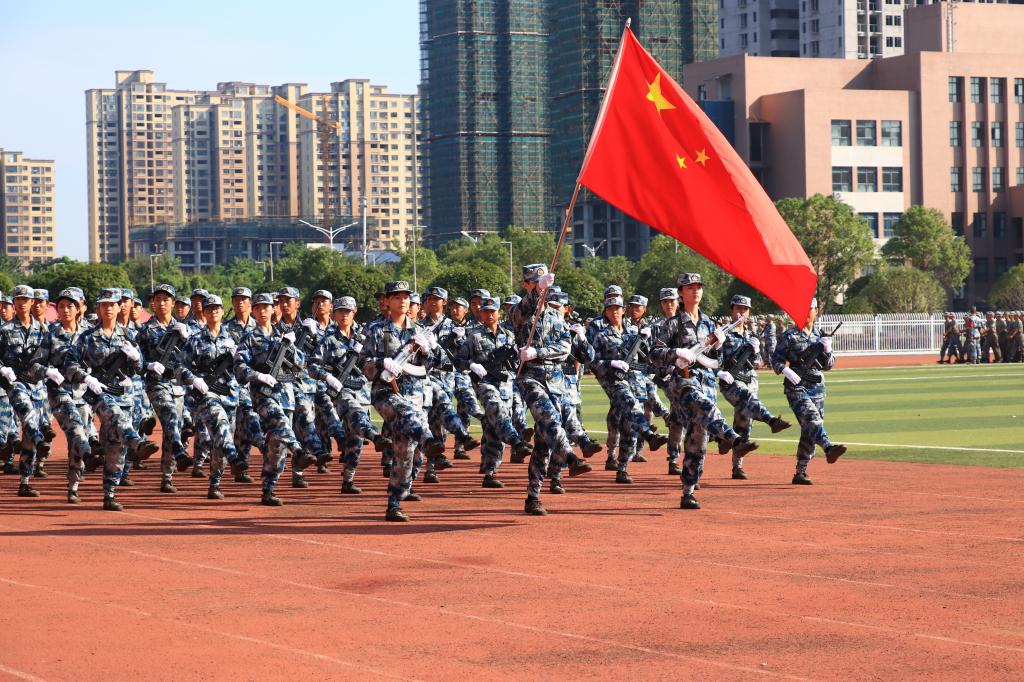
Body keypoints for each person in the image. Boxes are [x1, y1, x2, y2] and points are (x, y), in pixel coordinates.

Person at [652, 273, 758, 509]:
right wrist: (677, 352)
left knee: (698, 438)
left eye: (698, 287)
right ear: (681, 293)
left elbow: (716, 361)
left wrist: (718, 346)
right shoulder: (671, 324)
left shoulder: (709, 323)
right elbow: (655, 353)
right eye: (690, 287)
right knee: (707, 408)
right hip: (683, 382)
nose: (696, 291)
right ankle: (733, 439)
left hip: (706, 382)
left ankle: (688, 491)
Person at [63, 288, 160, 510]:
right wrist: (87, 378)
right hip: (100, 394)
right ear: (98, 308)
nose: (108, 308)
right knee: (115, 415)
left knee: (115, 447)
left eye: (112, 304)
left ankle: (110, 493)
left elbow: (139, 369)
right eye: (104, 305)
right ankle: (138, 443)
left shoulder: (128, 336)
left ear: (119, 308)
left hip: (125, 395)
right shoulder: (87, 337)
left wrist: (136, 358)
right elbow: (70, 365)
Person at [358, 280, 446, 522]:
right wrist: (381, 363)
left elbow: (432, 366)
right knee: (409, 416)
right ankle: (428, 440)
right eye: (397, 297)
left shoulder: (418, 331)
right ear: (387, 301)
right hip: (386, 393)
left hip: (414, 394)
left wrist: (428, 351)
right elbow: (362, 362)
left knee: (406, 450)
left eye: (406, 297)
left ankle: (394, 503)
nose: (403, 301)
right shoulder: (376, 329)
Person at [510, 264, 581, 516]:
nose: (541, 288)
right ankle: (570, 456)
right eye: (534, 283)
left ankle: (533, 496)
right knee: (549, 418)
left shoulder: (555, 316)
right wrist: (536, 292)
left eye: (543, 284)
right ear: (526, 284)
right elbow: (523, 311)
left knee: (544, 441)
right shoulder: (519, 312)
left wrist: (539, 352)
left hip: (556, 380)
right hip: (530, 378)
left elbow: (565, 347)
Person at [234, 292, 317, 506]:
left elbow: (300, 365)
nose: (263, 311)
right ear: (253, 311)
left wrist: (291, 347)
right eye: (258, 307)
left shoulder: (284, 334)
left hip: (286, 395)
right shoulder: (249, 337)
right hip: (263, 395)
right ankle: (298, 450)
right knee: (280, 423)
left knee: (277, 446)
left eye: (267, 307)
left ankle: (268, 489)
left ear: (273, 309)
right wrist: (258, 375)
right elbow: (239, 367)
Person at [309, 296, 388, 494]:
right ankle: (375, 436)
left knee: (356, 439)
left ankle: (348, 480)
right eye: (340, 311)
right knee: (355, 413)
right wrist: (327, 377)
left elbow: (379, 358)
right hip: (339, 392)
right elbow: (312, 365)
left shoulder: (365, 336)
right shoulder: (328, 339)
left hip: (361, 391)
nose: (344, 315)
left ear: (355, 312)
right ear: (334, 314)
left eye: (348, 311)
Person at [455, 296, 533, 488]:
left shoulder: (509, 335)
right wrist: (471, 365)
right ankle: (516, 441)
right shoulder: (473, 336)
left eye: (493, 311)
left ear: (499, 313)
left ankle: (490, 471)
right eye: (486, 311)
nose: (489, 315)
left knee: (494, 428)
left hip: (505, 384)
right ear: (481, 313)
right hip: (484, 383)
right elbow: (458, 360)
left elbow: (517, 362)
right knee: (496, 410)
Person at [590, 295, 669, 484]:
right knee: (631, 405)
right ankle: (649, 435)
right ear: (605, 313)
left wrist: (646, 340)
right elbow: (592, 362)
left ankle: (622, 468)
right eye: (610, 309)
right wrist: (611, 363)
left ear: (623, 310)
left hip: (636, 382)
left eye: (617, 308)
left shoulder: (634, 333)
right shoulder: (601, 336)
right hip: (615, 382)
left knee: (629, 428)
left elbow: (647, 357)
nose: (614, 312)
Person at [770, 297, 847, 485]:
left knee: (810, 429)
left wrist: (827, 350)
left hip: (817, 388)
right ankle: (828, 448)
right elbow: (775, 360)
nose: (807, 312)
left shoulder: (820, 336)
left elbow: (828, 366)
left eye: (810, 308)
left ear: (816, 311)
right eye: (803, 308)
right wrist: (786, 370)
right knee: (813, 420)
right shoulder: (789, 336)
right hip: (796, 387)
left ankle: (800, 472)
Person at [717, 295, 791, 480]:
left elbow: (757, 362)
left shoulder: (751, 336)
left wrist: (756, 351)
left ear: (749, 312)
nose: (741, 312)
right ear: (732, 311)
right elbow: (714, 357)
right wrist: (719, 372)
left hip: (750, 380)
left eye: (745, 309)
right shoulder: (724, 333)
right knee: (746, 398)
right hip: (731, 381)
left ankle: (735, 463)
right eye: (738, 309)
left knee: (744, 421)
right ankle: (771, 421)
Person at [177, 295, 242, 500]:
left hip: (230, 395)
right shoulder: (195, 340)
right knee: (220, 426)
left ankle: (215, 482)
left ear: (222, 311)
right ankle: (234, 457)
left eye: (216, 308)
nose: (213, 312)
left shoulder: (234, 339)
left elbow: (244, 368)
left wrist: (240, 358)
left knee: (220, 440)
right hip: (206, 396)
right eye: (209, 309)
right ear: (204, 313)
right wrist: (193, 379)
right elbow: (179, 366)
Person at [0, 285, 58, 497]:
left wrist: (51, 371)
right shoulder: (5, 330)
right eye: (18, 299)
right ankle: (41, 440)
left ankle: (25, 481)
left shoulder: (43, 331)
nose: (22, 303)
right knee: (29, 418)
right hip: (16, 384)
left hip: (38, 386)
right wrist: (2, 368)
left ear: (32, 302)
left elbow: (51, 356)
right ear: (14, 303)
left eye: (26, 299)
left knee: (28, 438)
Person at [137, 284, 194, 493]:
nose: (162, 303)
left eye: (166, 299)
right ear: (153, 303)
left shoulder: (183, 328)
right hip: (156, 384)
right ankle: (179, 452)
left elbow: (195, 358)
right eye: (158, 299)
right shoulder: (145, 330)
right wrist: (148, 365)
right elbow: (135, 362)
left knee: (174, 427)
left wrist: (187, 339)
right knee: (169, 415)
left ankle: (167, 476)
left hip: (177, 385)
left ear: (173, 303)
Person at [47, 288, 96, 503]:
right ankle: (91, 455)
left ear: (79, 308)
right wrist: (47, 370)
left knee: (77, 437)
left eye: (70, 306)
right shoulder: (50, 334)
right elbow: (36, 362)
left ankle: (74, 484)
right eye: (61, 306)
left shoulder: (90, 333)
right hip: (60, 392)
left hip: (84, 393)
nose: (65, 310)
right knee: (76, 429)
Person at [224, 287, 260, 482]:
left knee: (246, 423)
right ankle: (227, 465)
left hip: (254, 382)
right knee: (231, 426)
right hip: (231, 381)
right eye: (236, 299)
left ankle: (242, 466)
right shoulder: (225, 328)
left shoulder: (259, 327)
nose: (240, 302)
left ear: (250, 303)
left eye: (244, 299)